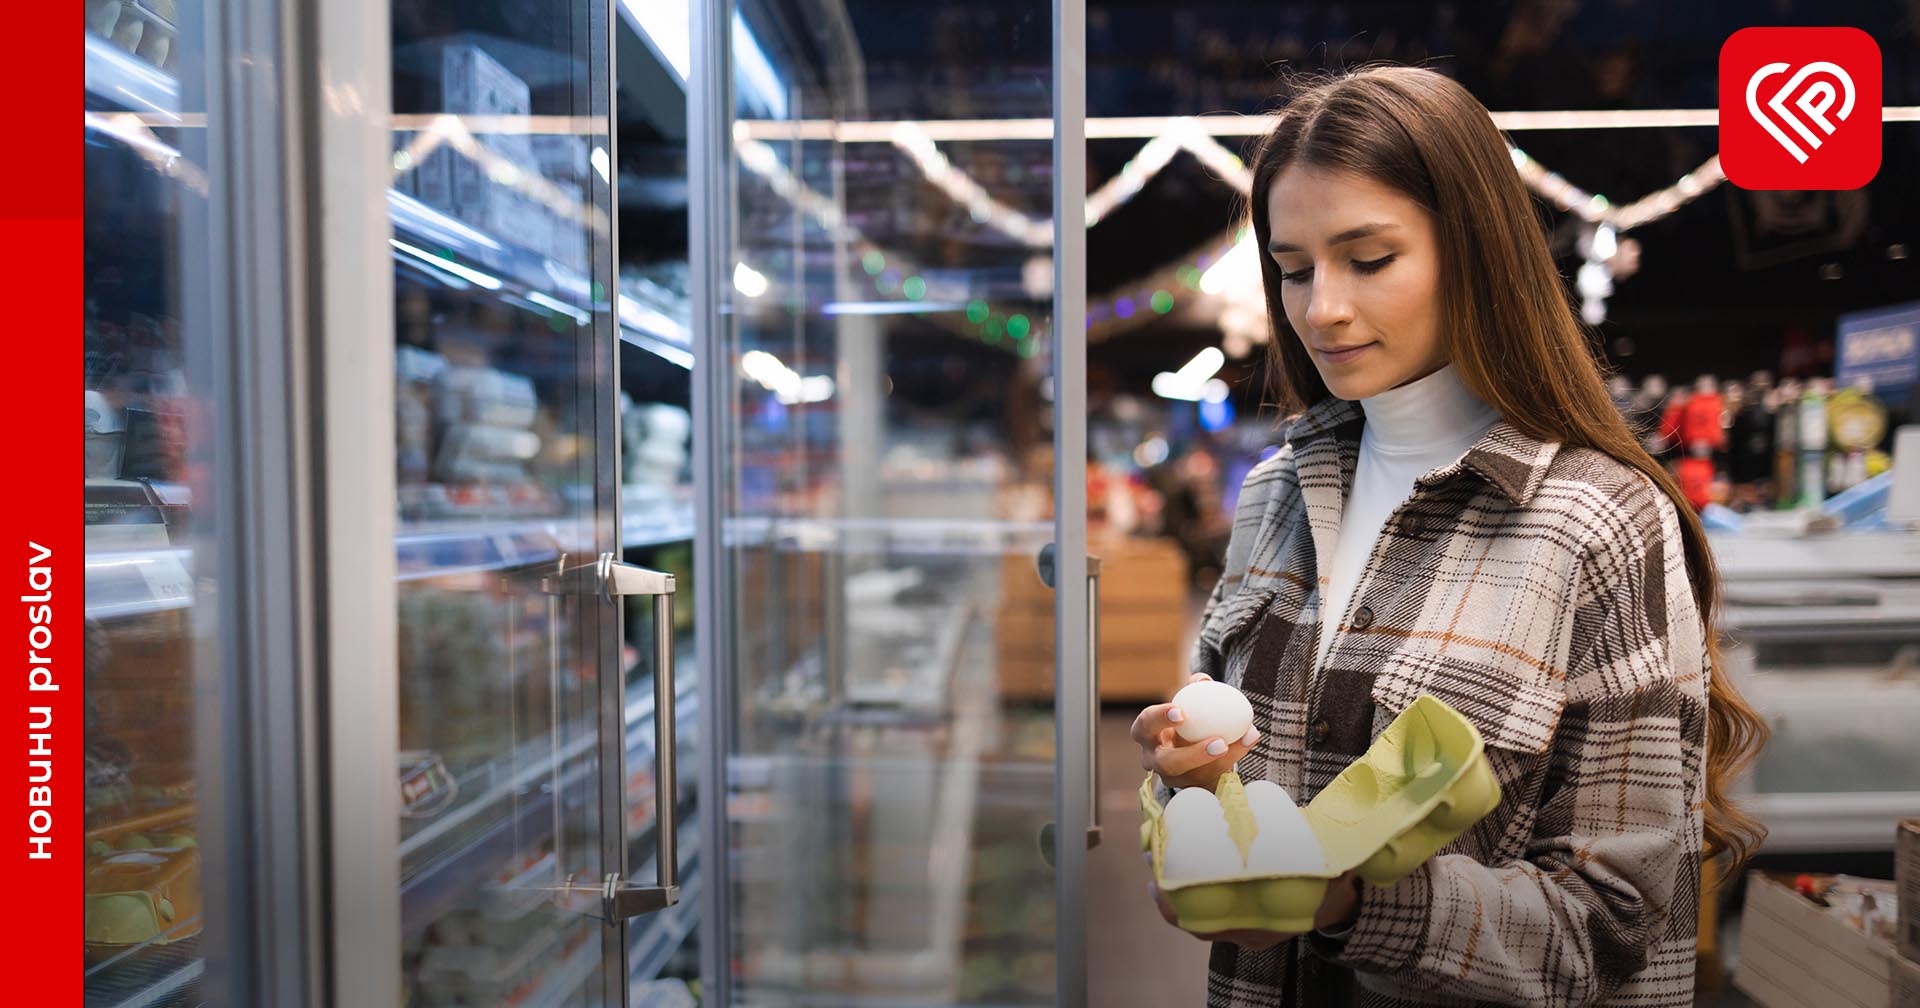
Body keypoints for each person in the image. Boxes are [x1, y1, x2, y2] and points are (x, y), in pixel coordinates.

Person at [1129, 66, 1768, 1007]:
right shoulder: (1273, 497)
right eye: (1295, 268)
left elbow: (1617, 922)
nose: (1320, 309)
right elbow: (1248, 800)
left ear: (1474, 252)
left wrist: (1350, 905)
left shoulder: (1595, 520)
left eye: (1370, 259)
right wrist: (1194, 779)